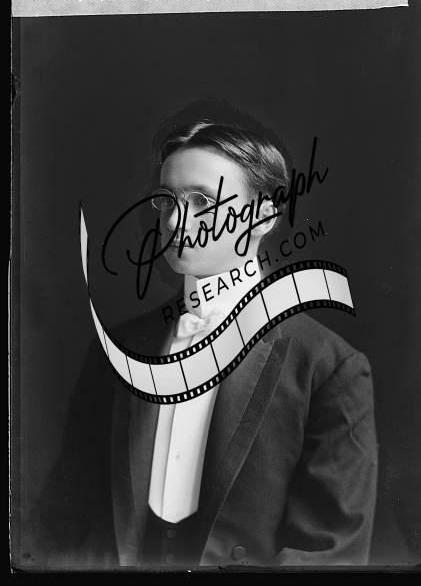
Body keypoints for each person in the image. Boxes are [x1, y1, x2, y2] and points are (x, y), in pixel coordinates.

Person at [29, 119, 378, 569]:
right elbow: (65, 519)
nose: (175, 221)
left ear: (265, 216)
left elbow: (331, 552)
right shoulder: (120, 347)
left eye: (202, 201)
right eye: (167, 200)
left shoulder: (327, 367)